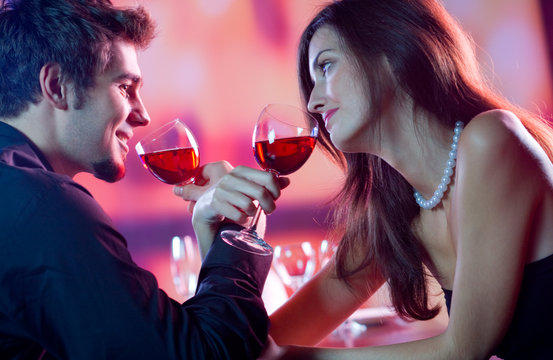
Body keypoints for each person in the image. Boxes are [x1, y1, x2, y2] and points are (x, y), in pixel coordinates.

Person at [176, 0, 553, 358]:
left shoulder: (491, 139)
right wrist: (221, 234)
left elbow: (465, 350)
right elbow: (251, 347)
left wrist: (290, 358)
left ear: (390, 53)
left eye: (326, 66)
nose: (312, 104)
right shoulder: (395, 211)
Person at [0, 0, 283, 358]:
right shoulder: (44, 205)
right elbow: (199, 354)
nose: (143, 114)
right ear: (57, 86)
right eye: (124, 87)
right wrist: (237, 233)